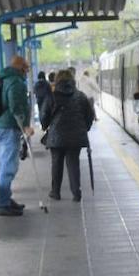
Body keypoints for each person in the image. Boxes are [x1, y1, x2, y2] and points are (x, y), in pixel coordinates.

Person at [40, 68, 95, 202]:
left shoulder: (51, 96)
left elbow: (44, 115)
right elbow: (90, 115)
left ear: (57, 80)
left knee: (56, 164)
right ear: (72, 80)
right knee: (73, 164)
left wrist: (46, 126)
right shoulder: (80, 96)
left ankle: (55, 192)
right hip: (76, 136)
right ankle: (76, 193)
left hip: (56, 136)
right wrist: (84, 129)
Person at [0, 55, 33, 217]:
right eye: (26, 69)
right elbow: (16, 106)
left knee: (5, 165)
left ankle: (6, 198)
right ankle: (2, 204)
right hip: (8, 128)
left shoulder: (2, 78)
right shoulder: (15, 82)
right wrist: (25, 126)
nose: (27, 72)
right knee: (8, 168)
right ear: (21, 68)